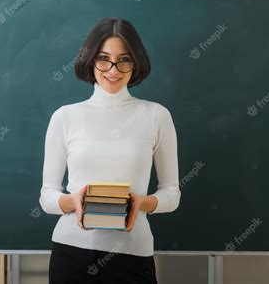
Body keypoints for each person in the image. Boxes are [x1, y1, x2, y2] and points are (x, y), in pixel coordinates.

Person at [39, 17, 181, 283]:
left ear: (135, 62)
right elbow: (47, 196)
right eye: (103, 58)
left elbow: (172, 194)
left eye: (124, 59)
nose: (113, 70)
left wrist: (142, 203)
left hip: (132, 256)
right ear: (90, 60)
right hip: (71, 254)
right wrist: (73, 202)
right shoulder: (65, 117)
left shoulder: (156, 115)